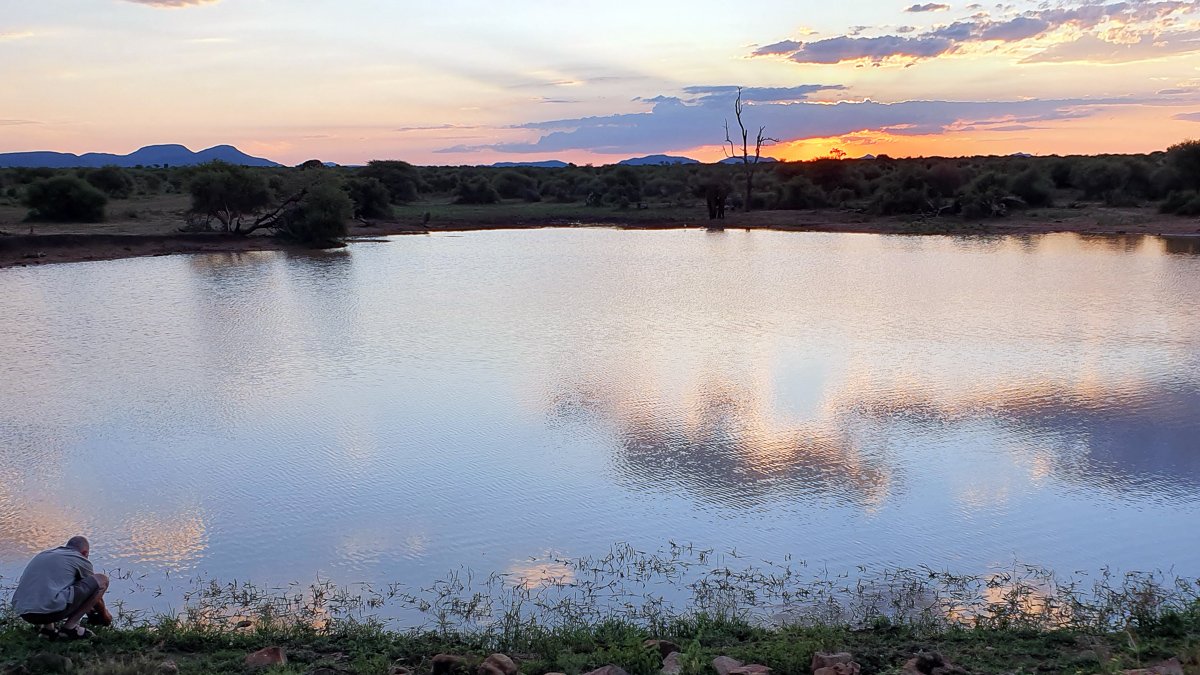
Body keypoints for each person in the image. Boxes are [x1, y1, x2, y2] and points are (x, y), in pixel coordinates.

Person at [11, 536, 111, 640]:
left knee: (54, 583)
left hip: (24, 612)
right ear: (85, 553)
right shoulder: (79, 558)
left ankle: (47, 630)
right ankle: (70, 627)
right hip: (49, 612)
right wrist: (104, 615)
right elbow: (95, 591)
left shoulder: (44, 555)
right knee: (102, 579)